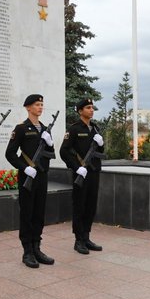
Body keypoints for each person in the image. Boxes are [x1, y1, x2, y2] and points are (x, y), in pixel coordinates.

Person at [5, 94, 55, 268]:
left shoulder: (45, 129)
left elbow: (51, 154)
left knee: (39, 213)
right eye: (37, 104)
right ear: (28, 107)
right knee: (27, 213)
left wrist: (49, 143)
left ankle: (37, 247)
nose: (40, 107)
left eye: (42, 104)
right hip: (27, 176)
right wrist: (24, 167)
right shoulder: (21, 128)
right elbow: (9, 153)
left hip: (41, 176)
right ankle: (27, 251)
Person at [59, 98, 105, 254]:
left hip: (94, 172)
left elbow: (101, 152)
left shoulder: (95, 129)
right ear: (80, 111)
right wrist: (76, 167)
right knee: (79, 206)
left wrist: (101, 143)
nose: (91, 110)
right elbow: (63, 151)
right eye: (88, 107)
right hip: (81, 173)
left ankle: (86, 237)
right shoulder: (74, 129)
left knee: (91, 206)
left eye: (92, 107)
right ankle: (78, 240)